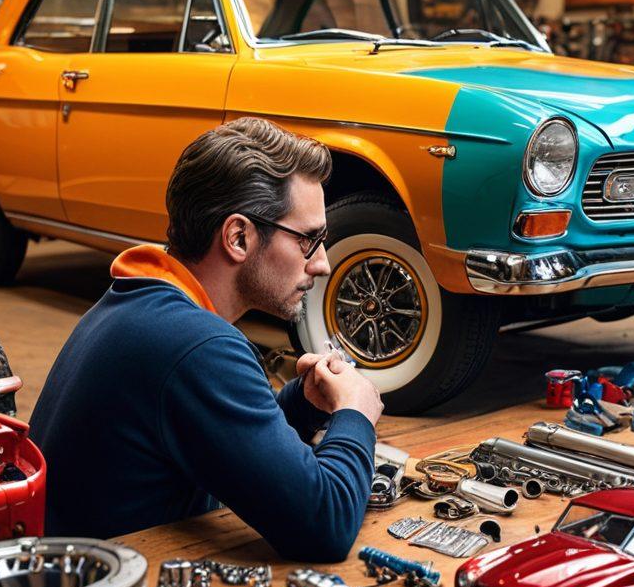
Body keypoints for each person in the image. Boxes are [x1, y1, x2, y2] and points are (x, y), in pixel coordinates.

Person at [29, 117, 383, 561]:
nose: (323, 264)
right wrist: (356, 415)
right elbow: (324, 526)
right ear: (238, 237)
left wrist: (304, 405)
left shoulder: (140, 304)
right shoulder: (196, 346)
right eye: (308, 240)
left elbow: (221, 444)